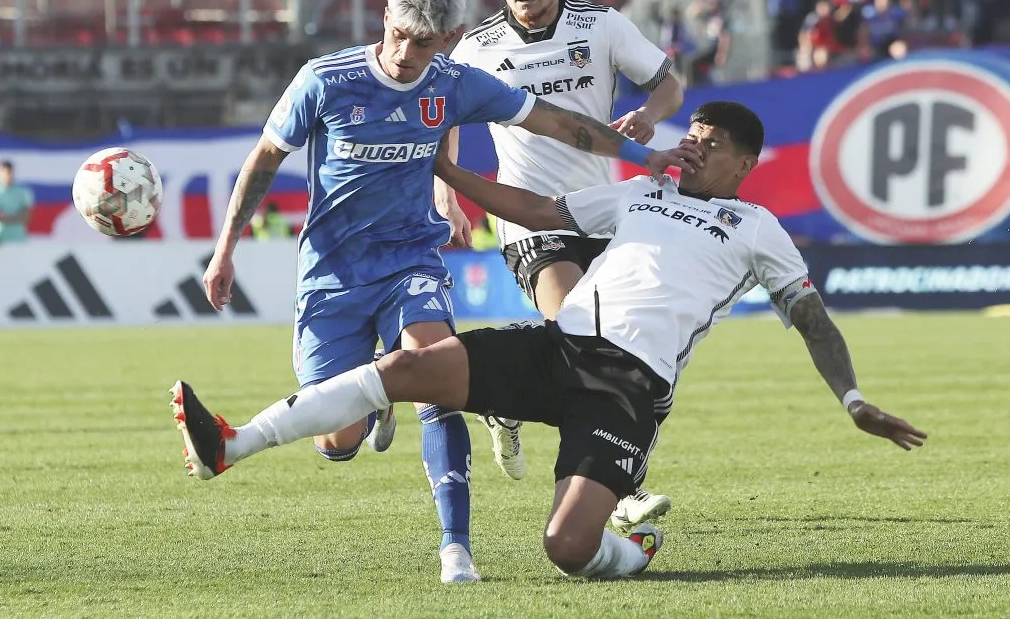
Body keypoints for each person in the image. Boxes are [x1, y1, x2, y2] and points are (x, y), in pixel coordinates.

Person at [171, 100, 927, 580]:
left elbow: (811, 317)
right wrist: (449, 170)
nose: (694, 148)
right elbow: (539, 211)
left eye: (712, 142)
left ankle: (632, 551)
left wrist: (853, 399)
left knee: (567, 549)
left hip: (628, 390)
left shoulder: (758, 228)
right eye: (692, 136)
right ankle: (231, 445)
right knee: (405, 366)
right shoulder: (643, 191)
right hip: (557, 348)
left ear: (746, 163)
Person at [197, 0, 694, 584]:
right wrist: (225, 247)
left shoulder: (456, 85)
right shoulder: (325, 80)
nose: (406, 54)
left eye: (424, 43)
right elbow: (266, 157)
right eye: (399, 35)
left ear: (450, 39)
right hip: (333, 270)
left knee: (436, 371)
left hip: (412, 258)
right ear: (384, 16)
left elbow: (560, 122)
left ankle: (455, 550)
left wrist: (645, 155)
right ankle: (376, 403)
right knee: (336, 441)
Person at [439, 0, 682, 531]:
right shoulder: (477, 49)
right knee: (584, 338)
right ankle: (615, 491)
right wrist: (449, 197)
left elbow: (669, 84)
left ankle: (503, 396)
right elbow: (442, 121)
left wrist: (650, 116)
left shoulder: (601, 26)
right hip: (530, 219)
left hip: (604, 214)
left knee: (614, 345)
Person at [0, 160, 34, 245]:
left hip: (19, 240)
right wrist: (16, 218)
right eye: (3, 172)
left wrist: (4, 217)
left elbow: (26, 217)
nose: (7, 175)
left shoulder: (24, 192)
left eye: (9, 172)